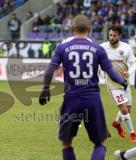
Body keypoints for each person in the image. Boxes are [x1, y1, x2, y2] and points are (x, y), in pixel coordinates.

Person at [39, 14, 128, 160]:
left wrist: (46, 89)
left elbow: (50, 71)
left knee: (66, 142)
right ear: (89, 29)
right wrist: (123, 82)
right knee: (101, 142)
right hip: (92, 100)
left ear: (72, 29)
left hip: (71, 99)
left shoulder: (62, 48)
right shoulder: (98, 49)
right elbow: (111, 72)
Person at [100, 25, 136, 142]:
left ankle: (116, 123)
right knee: (124, 109)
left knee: (128, 109)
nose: (111, 38)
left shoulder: (126, 48)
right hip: (112, 83)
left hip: (124, 82)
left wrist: (129, 72)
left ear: (120, 36)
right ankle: (132, 134)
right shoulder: (103, 47)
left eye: (114, 36)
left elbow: (133, 63)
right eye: (110, 35)